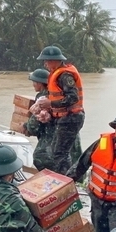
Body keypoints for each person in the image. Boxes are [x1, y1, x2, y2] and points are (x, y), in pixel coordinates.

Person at [33, 45, 84, 175]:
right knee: (57, 152)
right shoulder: (56, 74)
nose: (45, 64)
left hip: (71, 117)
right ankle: (63, 179)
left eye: (47, 61)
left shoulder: (64, 75)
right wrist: (49, 110)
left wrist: (51, 103)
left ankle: (64, 181)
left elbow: (72, 97)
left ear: (55, 60)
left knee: (60, 153)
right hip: (65, 117)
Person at [22, 68, 81, 171]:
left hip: (53, 142)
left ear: (40, 83)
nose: (33, 85)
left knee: (41, 159)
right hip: (71, 142)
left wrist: (25, 127)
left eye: (34, 82)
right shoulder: (60, 95)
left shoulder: (42, 99)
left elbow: (34, 127)